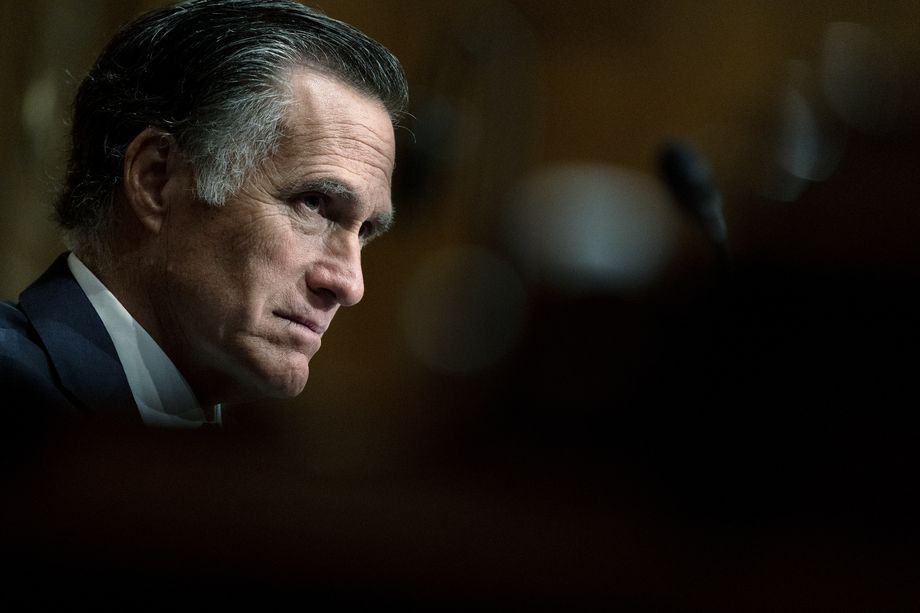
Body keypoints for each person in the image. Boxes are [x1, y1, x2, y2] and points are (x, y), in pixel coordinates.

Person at [0, 0, 408, 433]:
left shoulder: (242, 460)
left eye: (364, 230)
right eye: (314, 203)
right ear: (156, 180)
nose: (349, 285)